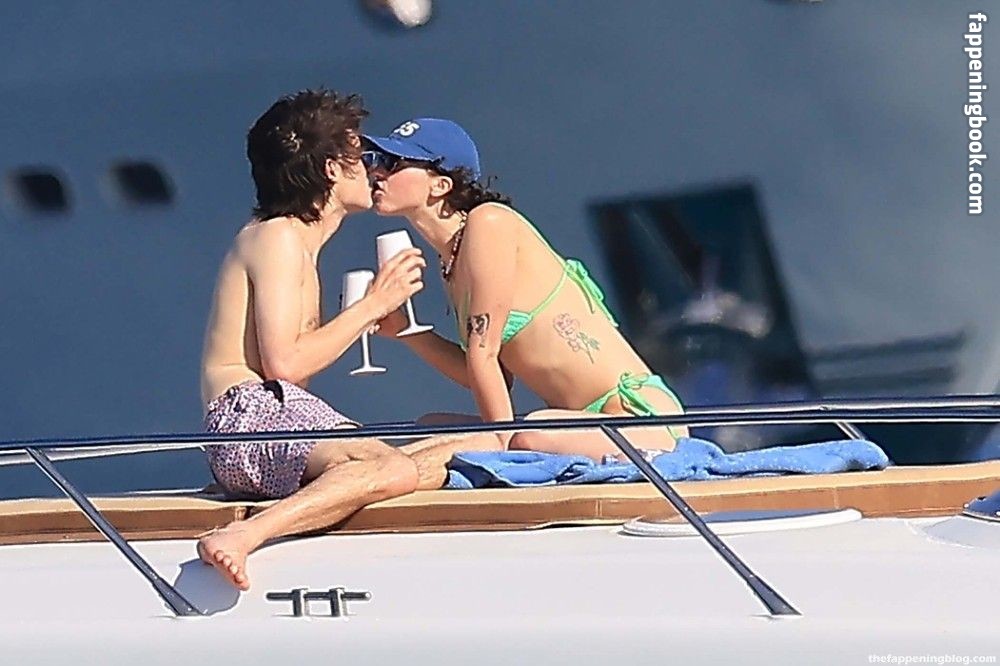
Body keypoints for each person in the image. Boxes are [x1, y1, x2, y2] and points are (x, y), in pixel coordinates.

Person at [197, 93, 497, 591]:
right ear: (333, 169)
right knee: (390, 467)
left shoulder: (291, 239)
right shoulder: (279, 237)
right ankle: (244, 536)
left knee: (463, 443)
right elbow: (285, 366)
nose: (375, 170)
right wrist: (374, 304)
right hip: (247, 416)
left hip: (262, 419)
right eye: (364, 157)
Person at [364, 118, 688, 462]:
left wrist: (500, 447)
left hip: (638, 417)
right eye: (375, 160)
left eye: (393, 163)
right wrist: (406, 332)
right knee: (430, 426)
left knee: (531, 433)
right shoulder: (453, 261)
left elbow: (484, 353)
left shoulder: (489, 222)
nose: (376, 172)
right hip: (582, 425)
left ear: (440, 184)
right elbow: (488, 373)